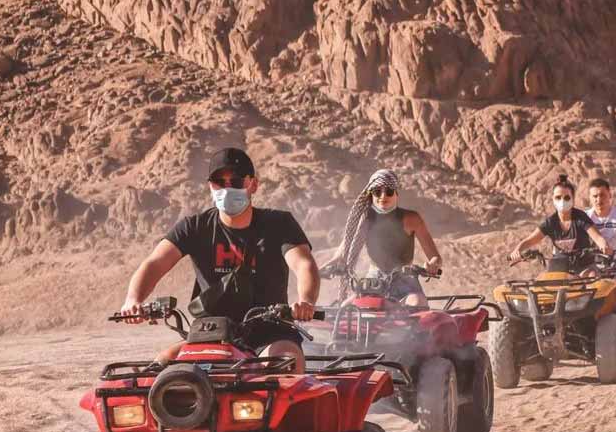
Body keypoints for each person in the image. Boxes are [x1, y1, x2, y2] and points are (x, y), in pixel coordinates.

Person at [118, 147, 320, 372]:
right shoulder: (194, 227)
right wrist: (133, 299)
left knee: (286, 363)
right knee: (161, 368)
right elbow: (155, 263)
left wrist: (306, 302)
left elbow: (303, 264)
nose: (226, 188)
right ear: (210, 187)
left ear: (253, 184)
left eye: (235, 181)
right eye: (218, 182)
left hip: (270, 330)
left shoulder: (279, 224)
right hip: (211, 332)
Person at [322, 169, 442, 308]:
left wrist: (433, 265)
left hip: (405, 280)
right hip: (373, 281)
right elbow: (344, 250)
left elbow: (435, 257)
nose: (383, 196)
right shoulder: (364, 220)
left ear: (396, 193)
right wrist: (327, 266)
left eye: (389, 191)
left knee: (417, 304)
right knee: (345, 309)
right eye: (377, 191)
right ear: (371, 194)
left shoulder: (412, 218)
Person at [510, 174, 610, 269]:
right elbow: (530, 240)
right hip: (559, 268)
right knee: (545, 283)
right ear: (553, 199)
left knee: (593, 279)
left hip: (584, 267)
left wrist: (603, 245)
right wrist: (517, 250)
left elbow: (597, 237)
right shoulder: (550, 222)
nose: (562, 201)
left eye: (567, 198)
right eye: (558, 197)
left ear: (573, 199)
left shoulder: (581, 217)